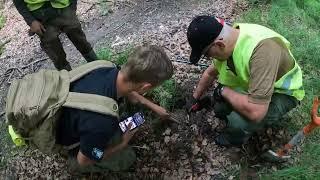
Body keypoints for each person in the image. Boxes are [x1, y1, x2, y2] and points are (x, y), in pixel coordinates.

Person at [7, 45, 174, 173]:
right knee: (126, 159)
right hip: (69, 143)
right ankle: (69, 162)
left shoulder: (105, 66)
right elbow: (84, 160)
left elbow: (130, 90)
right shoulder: (103, 123)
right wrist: (122, 143)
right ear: (145, 86)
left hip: (67, 109)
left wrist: (152, 106)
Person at [185, 15, 305, 146]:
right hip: (258, 82)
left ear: (219, 44)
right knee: (220, 108)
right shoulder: (230, 40)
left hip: (282, 92)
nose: (209, 58)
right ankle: (232, 115)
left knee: (238, 122)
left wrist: (224, 91)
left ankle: (232, 139)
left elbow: (256, 112)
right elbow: (209, 73)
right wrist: (194, 97)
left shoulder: (262, 52)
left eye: (207, 54)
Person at [13, 0, 98, 70]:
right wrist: (31, 21)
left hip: (63, 7)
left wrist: (72, 6)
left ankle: (98, 66)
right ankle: (69, 80)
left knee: (79, 38)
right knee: (53, 48)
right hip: (39, 16)